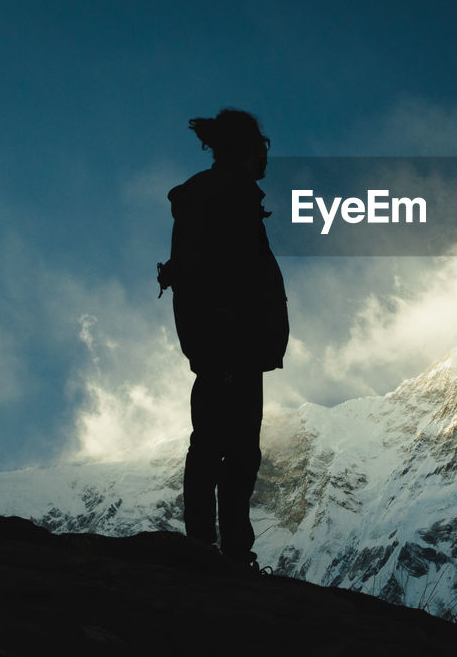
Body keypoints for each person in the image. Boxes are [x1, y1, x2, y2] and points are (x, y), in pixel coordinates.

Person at [158, 108, 289, 570]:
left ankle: (208, 546)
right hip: (233, 340)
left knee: (215, 444)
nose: (265, 156)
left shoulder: (209, 195)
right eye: (260, 147)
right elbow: (230, 273)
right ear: (247, 149)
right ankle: (225, 551)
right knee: (233, 450)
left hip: (221, 339)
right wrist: (236, 326)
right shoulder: (228, 196)